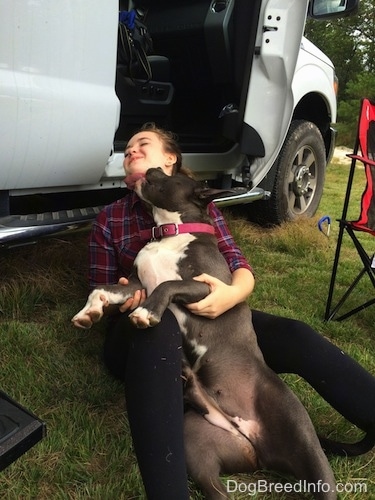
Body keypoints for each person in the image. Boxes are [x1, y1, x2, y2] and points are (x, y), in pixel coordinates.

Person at [88, 122, 375, 499]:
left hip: (210, 321)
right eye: (126, 151)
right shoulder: (111, 218)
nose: (131, 152)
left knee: (292, 333)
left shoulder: (196, 204)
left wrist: (231, 294)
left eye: (143, 144)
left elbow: (238, 264)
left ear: (170, 159)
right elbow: (102, 291)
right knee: (157, 328)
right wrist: (120, 300)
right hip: (143, 333)